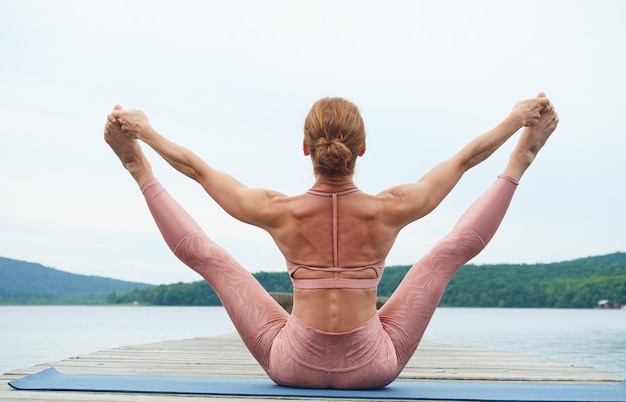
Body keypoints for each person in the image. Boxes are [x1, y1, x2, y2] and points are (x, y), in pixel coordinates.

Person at [104, 93, 558, 389]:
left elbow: (198, 171)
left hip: (291, 364)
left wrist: (145, 136)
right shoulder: (391, 208)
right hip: (374, 367)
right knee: (445, 255)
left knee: (213, 260)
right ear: (362, 149)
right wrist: (515, 123)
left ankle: (136, 171)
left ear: (306, 148)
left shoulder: (278, 210)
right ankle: (521, 164)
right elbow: (462, 162)